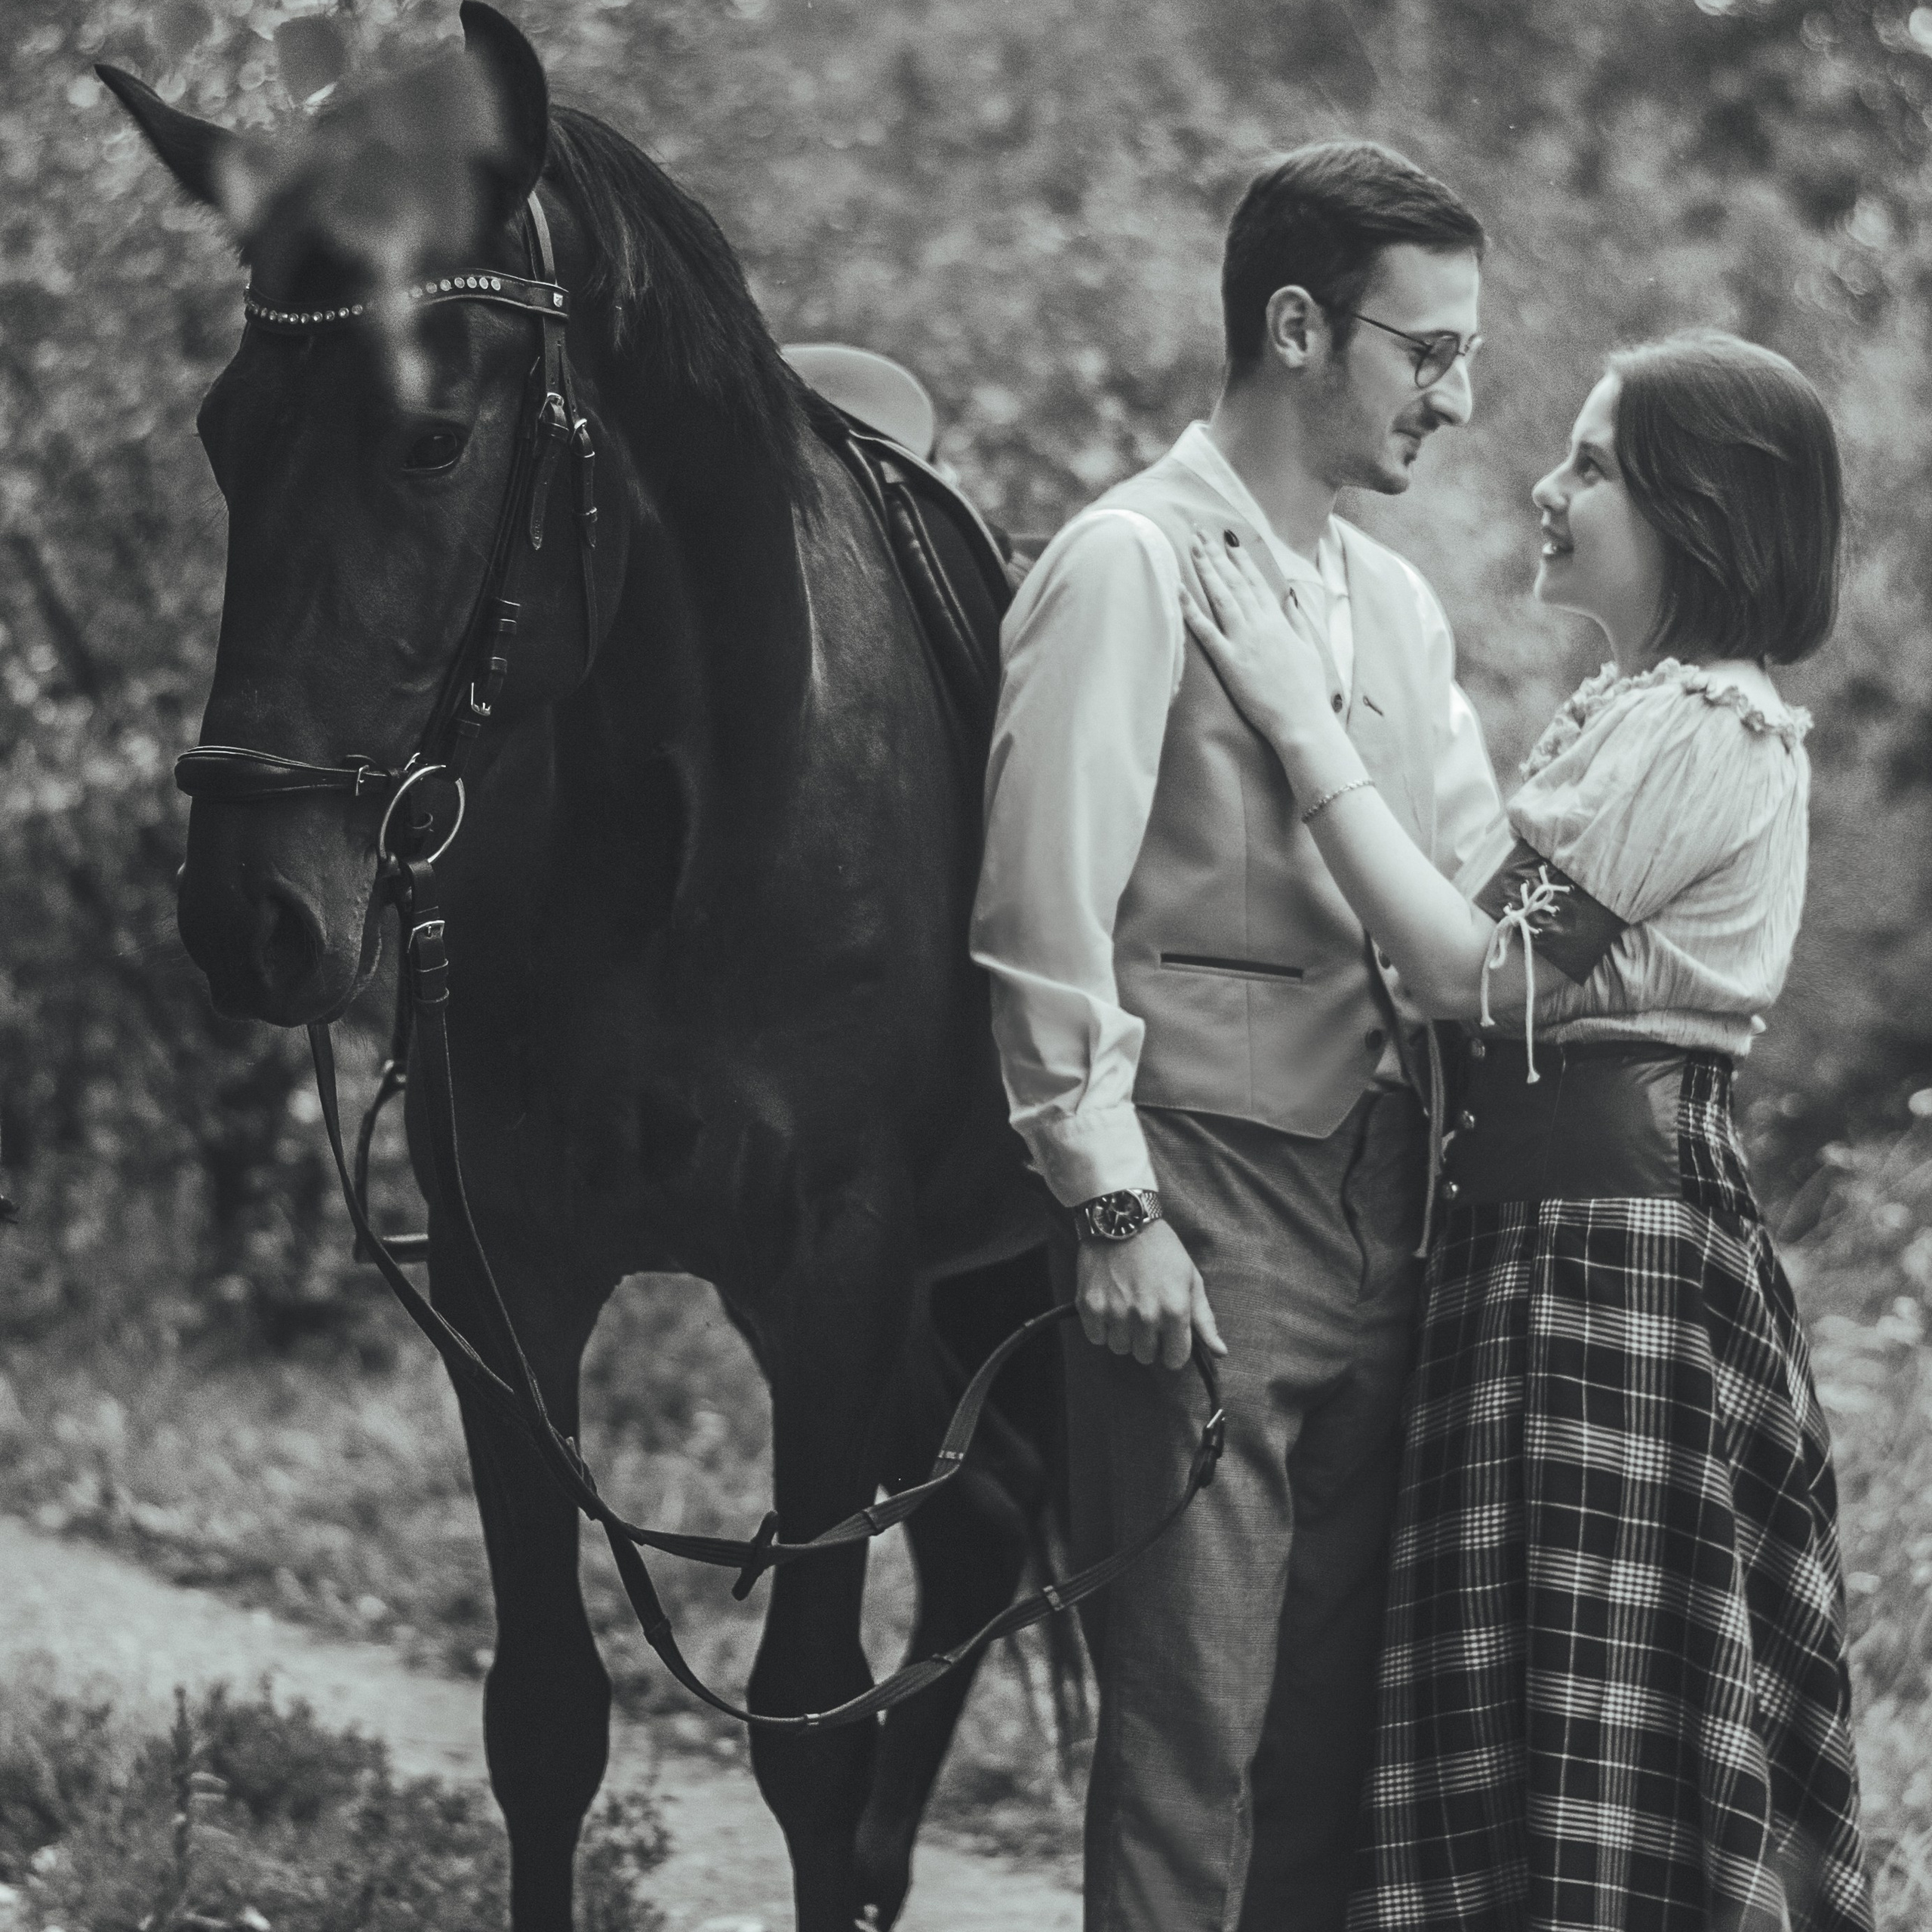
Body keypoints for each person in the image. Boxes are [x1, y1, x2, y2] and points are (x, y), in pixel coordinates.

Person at [1183, 328, 1873, 1932]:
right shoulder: (1627, 713)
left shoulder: (1701, 726)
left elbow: (1456, 970)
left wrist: (1301, 725)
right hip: (1534, 1244)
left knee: (1595, 1712)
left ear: (1695, 508)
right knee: (1518, 1704)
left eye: (1589, 464)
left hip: (1604, 1255)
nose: (1547, 490)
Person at [969, 141, 1501, 1932]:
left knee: (1335, 1751)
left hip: (1385, 1202)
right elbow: (1040, 916)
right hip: (1194, 1202)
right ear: (1296, 326)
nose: (1458, 395)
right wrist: (1108, 1204)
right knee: (1191, 1736)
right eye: (1424, 352)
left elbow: (1463, 906)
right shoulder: (1123, 562)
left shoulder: (1401, 603)